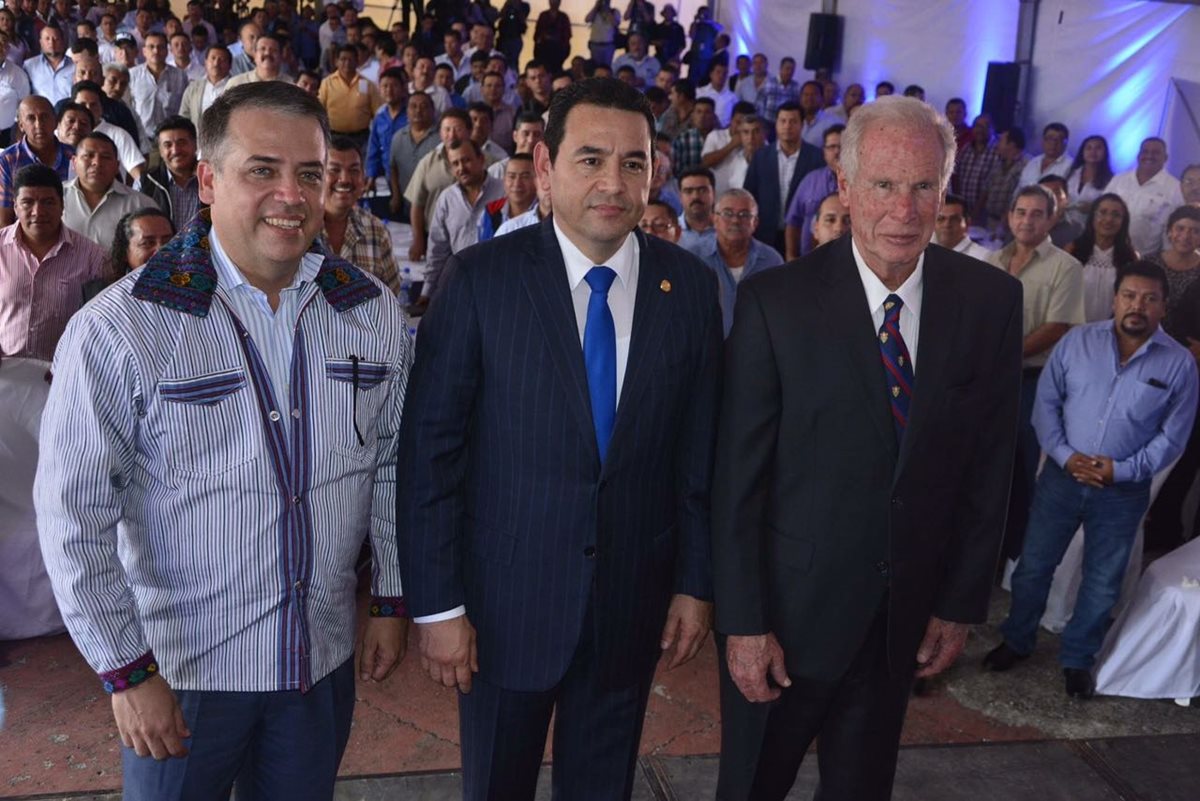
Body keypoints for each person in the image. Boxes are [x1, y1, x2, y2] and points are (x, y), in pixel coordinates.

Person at [35, 81, 413, 799]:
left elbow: (392, 463)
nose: (291, 195)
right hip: (184, 678)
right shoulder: (125, 328)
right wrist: (127, 671)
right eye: (262, 170)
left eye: (310, 173)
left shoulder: (368, 312)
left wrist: (390, 598)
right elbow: (72, 514)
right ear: (206, 180)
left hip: (317, 664)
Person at [397, 77, 720, 801]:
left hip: (628, 606)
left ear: (654, 171)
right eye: (591, 159)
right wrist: (439, 607)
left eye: (634, 163)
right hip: (504, 608)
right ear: (543, 166)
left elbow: (699, 454)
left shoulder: (689, 289)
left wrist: (696, 583)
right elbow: (430, 454)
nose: (614, 182)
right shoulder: (483, 281)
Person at [712, 95, 1022, 801]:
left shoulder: (990, 303)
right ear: (845, 186)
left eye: (923, 186)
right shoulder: (774, 304)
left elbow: (988, 468)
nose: (904, 209)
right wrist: (746, 623)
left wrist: (958, 602)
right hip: (787, 628)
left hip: (900, 628)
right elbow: (738, 479)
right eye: (883, 184)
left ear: (945, 189)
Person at [986, 261, 1197, 699]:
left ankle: (1078, 659)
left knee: (1102, 581)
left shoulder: (1179, 365)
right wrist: (1066, 457)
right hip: (1062, 480)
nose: (1137, 305)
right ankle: (1018, 640)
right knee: (1034, 568)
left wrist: (1119, 470)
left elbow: (1172, 438)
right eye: (1130, 295)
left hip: (1123, 492)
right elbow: (1046, 404)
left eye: (1149, 298)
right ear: (1115, 298)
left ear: (1163, 306)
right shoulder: (1077, 342)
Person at [988, 184, 1085, 564]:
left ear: (1052, 219)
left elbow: (1056, 327)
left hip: (1034, 381)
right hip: (991, 381)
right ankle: (990, 554)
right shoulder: (993, 261)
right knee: (990, 468)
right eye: (1021, 212)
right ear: (1010, 216)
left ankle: (1018, 557)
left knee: (1026, 470)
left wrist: (1000, 357)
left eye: (1036, 213)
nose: (1027, 220)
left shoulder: (1066, 266)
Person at [0, 163, 106, 360]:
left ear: (62, 205)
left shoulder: (92, 256)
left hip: (62, 375)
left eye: (48, 202)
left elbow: (100, 323)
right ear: (15, 206)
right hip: (5, 374)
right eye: (27, 202)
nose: (38, 212)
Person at [422, 136, 505, 299]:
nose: (461, 168)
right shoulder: (447, 199)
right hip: (462, 286)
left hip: (499, 283)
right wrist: (427, 291)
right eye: (455, 163)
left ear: (481, 159)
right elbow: (437, 250)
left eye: (466, 160)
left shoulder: (503, 192)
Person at [698, 187, 783, 335]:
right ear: (714, 219)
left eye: (744, 214)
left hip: (758, 348)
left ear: (755, 222)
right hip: (706, 347)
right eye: (727, 213)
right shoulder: (695, 257)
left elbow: (780, 310)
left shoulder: (772, 260)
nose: (735, 220)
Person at [742, 101, 823, 253]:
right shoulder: (761, 156)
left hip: (801, 234)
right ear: (776, 124)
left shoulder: (816, 157)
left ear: (802, 124)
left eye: (793, 121)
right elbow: (749, 194)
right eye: (783, 121)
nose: (787, 126)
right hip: (764, 234)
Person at [322, 136, 400, 293]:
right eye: (334, 170)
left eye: (353, 170)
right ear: (318, 175)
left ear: (363, 178)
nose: (344, 179)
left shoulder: (376, 231)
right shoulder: (299, 230)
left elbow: (392, 299)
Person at [62, 131, 155, 250]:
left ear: (117, 166)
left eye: (105, 157)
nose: (97, 162)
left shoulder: (141, 204)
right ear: (74, 162)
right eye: (88, 156)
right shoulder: (55, 197)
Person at [0, 95, 74, 228]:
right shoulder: (7, 160)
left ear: (55, 121)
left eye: (44, 117)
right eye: (31, 118)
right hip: (23, 239)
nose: (39, 124)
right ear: (21, 126)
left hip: (71, 234)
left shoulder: (74, 156)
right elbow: (4, 220)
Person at [1065, 193, 1138, 323]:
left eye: (1116, 215)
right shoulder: (1072, 249)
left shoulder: (1131, 257)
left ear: (1123, 221)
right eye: (1102, 212)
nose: (1108, 219)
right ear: (1092, 217)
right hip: (1071, 327)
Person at [1108, 137, 1185, 257]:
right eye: (1145, 151)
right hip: (1109, 251)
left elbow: (1173, 230)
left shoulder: (1175, 189)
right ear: (1138, 155)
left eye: (1156, 152)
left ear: (1165, 158)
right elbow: (1101, 208)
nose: (1149, 156)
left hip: (1145, 259)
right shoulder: (1119, 180)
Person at [783, 123, 843, 260]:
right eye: (832, 147)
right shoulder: (810, 180)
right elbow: (793, 221)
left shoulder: (860, 184)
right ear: (824, 151)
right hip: (807, 261)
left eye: (842, 147)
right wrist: (790, 256)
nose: (837, 152)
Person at [138, 115, 203, 231]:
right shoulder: (145, 182)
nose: (176, 151)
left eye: (182, 143)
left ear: (195, 145)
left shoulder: (211, 177)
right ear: (160, 151)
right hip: (163, 248)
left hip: (205, 248)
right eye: (168, 145)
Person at [126, 32, 188, 145]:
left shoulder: (180, 76)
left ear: (167, 51)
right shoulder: (132, 75)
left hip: (171, 139)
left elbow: (184, 108)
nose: (156, 51)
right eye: (151, 47)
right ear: (144, 51)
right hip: (142, 139)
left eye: (160, 47)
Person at [388, 91, 437, 223]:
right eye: (413, 106)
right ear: (407, 110)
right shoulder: (398, 137)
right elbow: (393, 168)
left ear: (433, 110)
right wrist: (396, 196)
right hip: (406, 206)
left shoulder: (441, 138)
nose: (418, 110)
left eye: (424, 106)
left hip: (434, 208)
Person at [1146, 205, 1200, 320]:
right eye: (1180, 228)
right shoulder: (1148, 263)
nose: (1185, 236)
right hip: (1146, 332)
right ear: (1169, 232)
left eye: (1195, 231)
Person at [478, 151, 535, 241]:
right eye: (512, 176)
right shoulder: (491, 211)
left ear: (537, 180)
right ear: (504, 180)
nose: (517, 184)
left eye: (525, 177)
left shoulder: (543, 212)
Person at [952, 114, 999, 225]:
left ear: (992, 129)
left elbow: (991, 184)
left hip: (985, 214)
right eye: (977, 126)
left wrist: (976, 212)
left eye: (984, 126)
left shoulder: (998, 150)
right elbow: (957, 175)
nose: (980, 130)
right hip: (964, 209)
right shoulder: (966, 148)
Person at [1064, 134, 1113, 228]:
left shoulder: (1111, 180)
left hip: (1092, 228)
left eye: (1098, 148)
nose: (1093, 152)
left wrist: (1094, 208)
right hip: (1065, 224)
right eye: (1089, 148)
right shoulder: (1071, 173)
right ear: (1082, 152)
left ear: (1105, 152)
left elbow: (1111, 207)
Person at [108, 206, 175, 275]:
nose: (160, 250)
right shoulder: (116, 286)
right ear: (124, 252)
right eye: (147, 243)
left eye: (168, 242)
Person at [178, 44, 230, 129]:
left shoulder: (236, 85)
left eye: (222, 60)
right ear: (205, 62)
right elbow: (184, 116)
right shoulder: (193, 88)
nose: (216, 63)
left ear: (229, 65)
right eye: (213, 58)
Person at [934, 192, 993, 261]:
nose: (947, 224)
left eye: (954, 219)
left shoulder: (983, 257)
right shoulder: (923, 252)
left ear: (968, 223)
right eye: (940, 219)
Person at [1017, 122, 1072, 195]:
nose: (1053, 143)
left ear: (1066, 143)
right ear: (1043, 140)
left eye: (1058, 139)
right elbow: (1019, 189)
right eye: (1049, 138)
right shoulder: (1032, 163)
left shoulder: (1071, 166)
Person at [677, 165, 716, 253]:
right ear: (680, 196)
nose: (695, 197)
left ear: (714, 193)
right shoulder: (671, 230)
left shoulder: (727, 229)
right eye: (688, 191)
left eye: (702, 190)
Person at [533, 0, 571, 72]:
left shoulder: (563, 17)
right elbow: (537, 34)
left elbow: (567, 36)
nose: (554, 3)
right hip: (543, 51)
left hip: (558, 51)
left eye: (556, 1)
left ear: (559, 3)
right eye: (552, 1)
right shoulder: (543, 15)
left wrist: (563, 49)